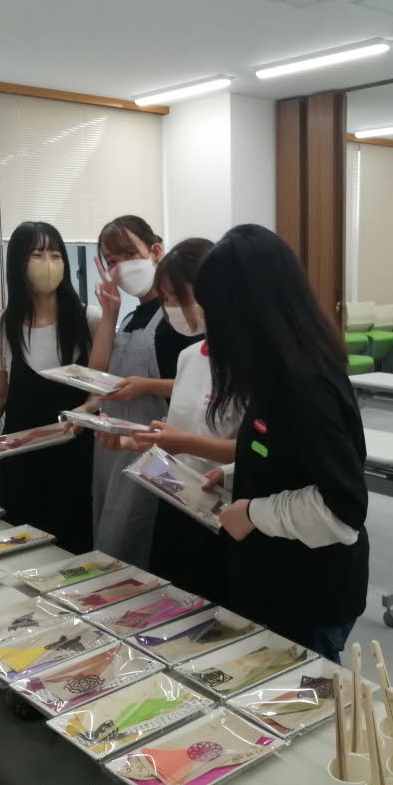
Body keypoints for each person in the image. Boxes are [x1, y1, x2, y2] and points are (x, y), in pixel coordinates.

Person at [194, 224, 368, 664]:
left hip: (308, 592)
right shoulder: (279, 370)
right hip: (279, 579)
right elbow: (286, 455)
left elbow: (342, 512)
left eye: (214, 313)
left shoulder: (304, 386)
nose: (210, 331)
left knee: (304, 699)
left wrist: (252, 512)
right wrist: (236, 475)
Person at [100, 238, 240, 601]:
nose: (171, 309)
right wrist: (129, 439)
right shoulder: (190, 356)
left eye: (178, 297)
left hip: (224, 511)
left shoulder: (250, 365)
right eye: (165, 299)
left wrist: (184, 443)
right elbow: (177, 430)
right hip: (175, 499)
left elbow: (259, 450)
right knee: (172, 599)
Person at [0, 221, 100, 553]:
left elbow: (101, 389)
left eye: (56, 255)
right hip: (21, 460)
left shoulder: (90, 320)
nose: (48, 263)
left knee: (77, 551)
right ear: (18, 263)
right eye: (37, 255)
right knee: (23, 548)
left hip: (77, 457)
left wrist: (87, 409)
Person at [89, 216, 201, 567]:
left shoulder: (180, 316)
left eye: (129, 253)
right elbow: (97, 373)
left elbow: (202, 386)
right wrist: (109, 313)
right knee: (111, 532)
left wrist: (147, 386)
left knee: (141, 539)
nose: (122, 266)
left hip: (159, 450)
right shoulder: (129, 317)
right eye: (112, 260)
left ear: (155, 251)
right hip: (118, 447)